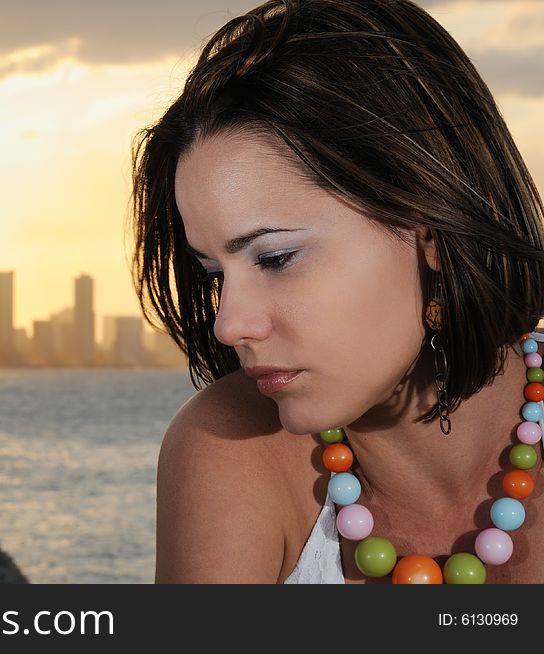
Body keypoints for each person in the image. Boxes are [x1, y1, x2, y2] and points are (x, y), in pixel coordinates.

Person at [129, 0, 544, 583]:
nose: (229, 325)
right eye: (215, 275)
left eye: (275, 258)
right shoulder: (231, 451)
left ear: (426, 225)